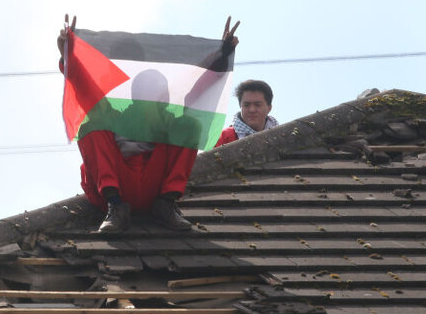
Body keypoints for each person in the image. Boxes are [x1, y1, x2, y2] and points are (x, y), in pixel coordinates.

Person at [58, 17, 240, 234]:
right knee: (91, 127)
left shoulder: (171, 123)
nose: (150, 98)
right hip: (116, 188)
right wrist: (69, 54)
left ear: (165, 98)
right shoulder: (113, 116)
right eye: (144, 92)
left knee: (190, 125)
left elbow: (195, 92)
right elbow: (87, 89)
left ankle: (166, 204)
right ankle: (115, 207)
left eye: (156, 93)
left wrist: (221, 56)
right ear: (133, 96)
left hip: (156, 189)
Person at [215, 79, 278, 147]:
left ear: (269, 108)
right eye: (246, 105)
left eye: (257, 105)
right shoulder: (224, 138)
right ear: (240, 106)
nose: (252, 110)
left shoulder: (281, 135)